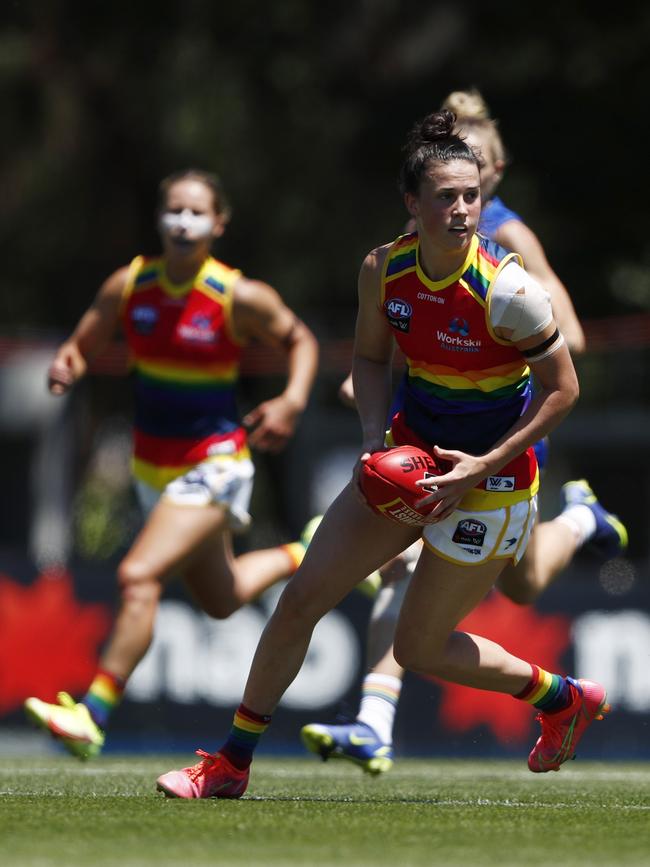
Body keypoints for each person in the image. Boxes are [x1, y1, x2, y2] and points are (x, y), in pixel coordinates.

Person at [155, 110, 609, 799]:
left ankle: (560, 697)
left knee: (420, 648)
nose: (462, 209)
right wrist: (374, 442)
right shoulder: (384, 270)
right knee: (302, 596)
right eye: (446, 196)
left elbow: (564, 389)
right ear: (412, 203)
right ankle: (229, 763)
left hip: (492, 485)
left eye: (472, 195)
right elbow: (370, 359)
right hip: (411, 458)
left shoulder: (509, 291)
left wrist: (480, 466)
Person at [300, 89, 627, 774]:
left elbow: (566, 341)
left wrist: (506, 334)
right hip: (431, 431)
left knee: (525, 583)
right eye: (451, 174)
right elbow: (397, 327)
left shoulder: (503, 240)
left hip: (505, 429)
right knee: (411, 564)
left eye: (475, 173)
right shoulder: (412, 248)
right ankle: (375, 720)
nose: (461, 195)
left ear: (496, 174)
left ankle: (577, 523)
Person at [24, 168, 319, 759]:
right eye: (174, 211)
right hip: (151, 470)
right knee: (222, 595)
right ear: (160, 219)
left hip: (214, 464)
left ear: (218, 224)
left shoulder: (236, 294)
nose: (184, 223)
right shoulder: (130, 285)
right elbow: (82, 345)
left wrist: (290, 399)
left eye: (196, 213)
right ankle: (305, 552)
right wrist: (67, 366)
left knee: (137, 577)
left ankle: (94, 712)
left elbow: (301, 341)